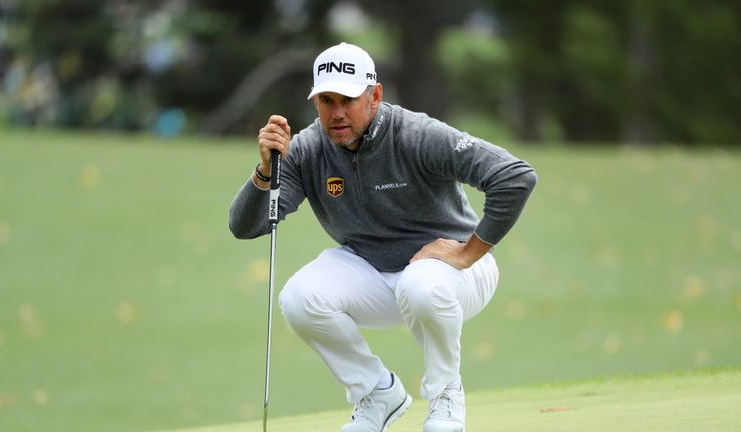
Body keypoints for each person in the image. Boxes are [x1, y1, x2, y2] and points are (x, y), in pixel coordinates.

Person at [229, 42, 537, 432]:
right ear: (315, 102)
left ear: (374, 96)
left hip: (455, 276)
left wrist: (468, 252)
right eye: (327, 100)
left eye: (349, 99)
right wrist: (264, 171)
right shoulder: (307, 149)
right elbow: (246, 227)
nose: (337, 113)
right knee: (299, 298)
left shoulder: (417, 134)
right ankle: (377, 393)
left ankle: (444, 395)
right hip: (375, 273)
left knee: (422, 284)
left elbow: (515, 177)